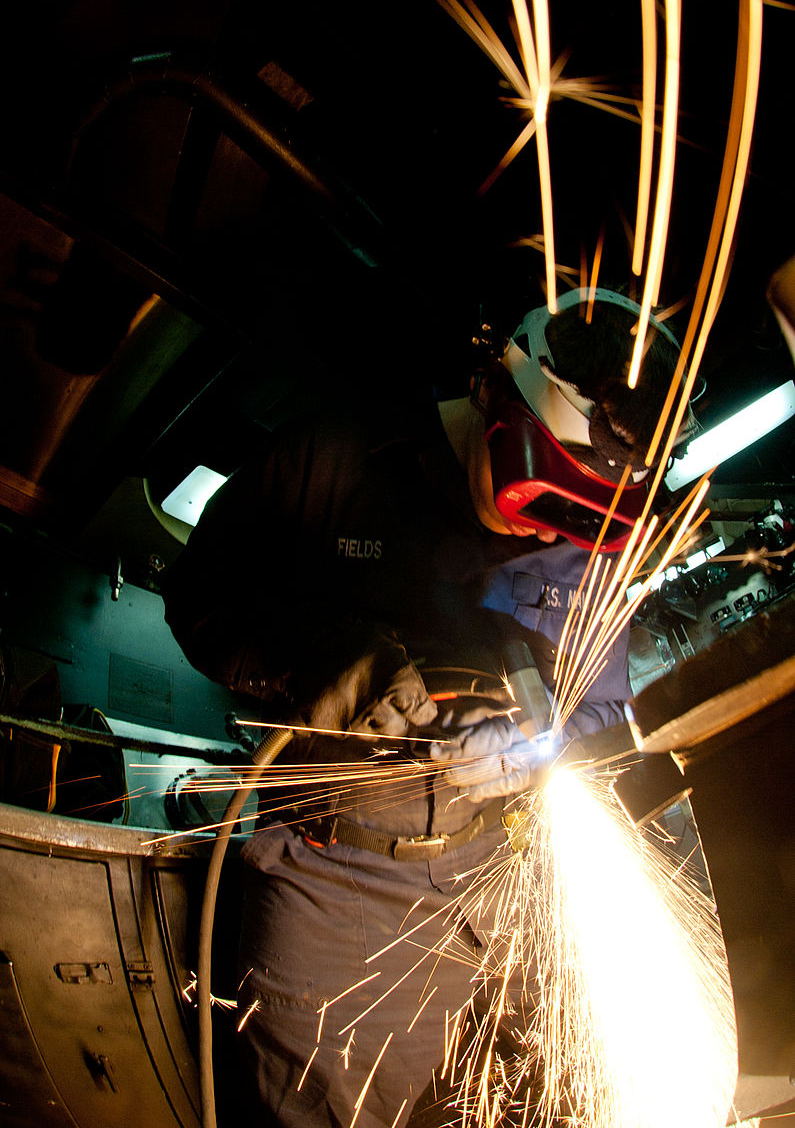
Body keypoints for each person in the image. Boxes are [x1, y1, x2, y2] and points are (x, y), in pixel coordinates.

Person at [162, 286, 693, 1128]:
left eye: (580, 519)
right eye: (541, 497)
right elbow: (198, 593)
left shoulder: (585, 557)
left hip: (493, 881)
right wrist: (317, 654)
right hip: (336, 881)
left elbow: (602, 720)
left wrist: (529, 747)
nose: (546, 535)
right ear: (492, 389)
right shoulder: (335, 455)